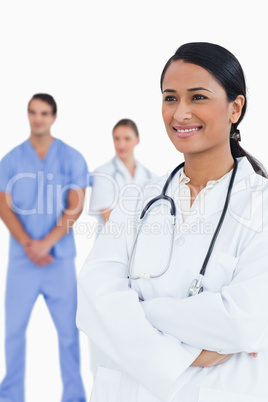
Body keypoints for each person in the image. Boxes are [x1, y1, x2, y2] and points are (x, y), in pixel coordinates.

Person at [76, 42, 268, 402]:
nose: (180, 113)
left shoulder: (262, 204)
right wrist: (189, 353)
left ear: (235, 108)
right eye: (170, 98)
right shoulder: (137, 199)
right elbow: (92, 300)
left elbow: (245, 320)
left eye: (197, 98)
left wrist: (136, 310)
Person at [0, 94, 87, 402]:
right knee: (12, 333)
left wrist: (46, 243)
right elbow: (3, 205)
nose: (38, 118)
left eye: (44, 113)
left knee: (68, 334)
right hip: (22, 260)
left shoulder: (71, 157)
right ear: (28, 115)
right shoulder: (10, 160)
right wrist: (28, 244)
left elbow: (75, 207)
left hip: (58, 260)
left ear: (54, 117)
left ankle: (75, 396)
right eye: (33, 112)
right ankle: (9, 396)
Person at [89, 118, 154, 224]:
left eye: (127, 139)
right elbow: (108, 217)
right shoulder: (102, 173)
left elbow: (155, 216)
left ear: (137, 140)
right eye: (117, 139)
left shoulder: (151, 176)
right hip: (112, 239)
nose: (121, 144)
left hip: (143, 239)